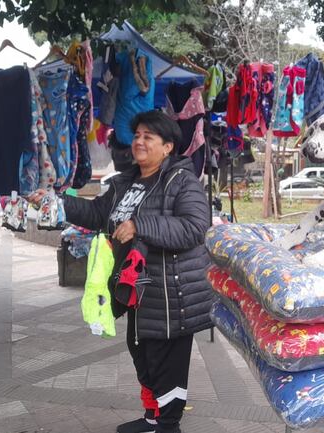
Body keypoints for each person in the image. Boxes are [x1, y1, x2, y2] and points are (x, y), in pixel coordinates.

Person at [28, 110, 213, 433]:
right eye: (137, 135)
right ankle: (153, 418)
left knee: (166, 365)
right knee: (143, 356)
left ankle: (168, 426)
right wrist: (57, 203)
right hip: (136, 290)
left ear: (168, 146)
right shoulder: (125, 183)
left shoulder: (182, 181)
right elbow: (97, 214)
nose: (139, 142)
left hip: (170, 296)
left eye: (148, 137)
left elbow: (195, 228)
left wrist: (141, 225)